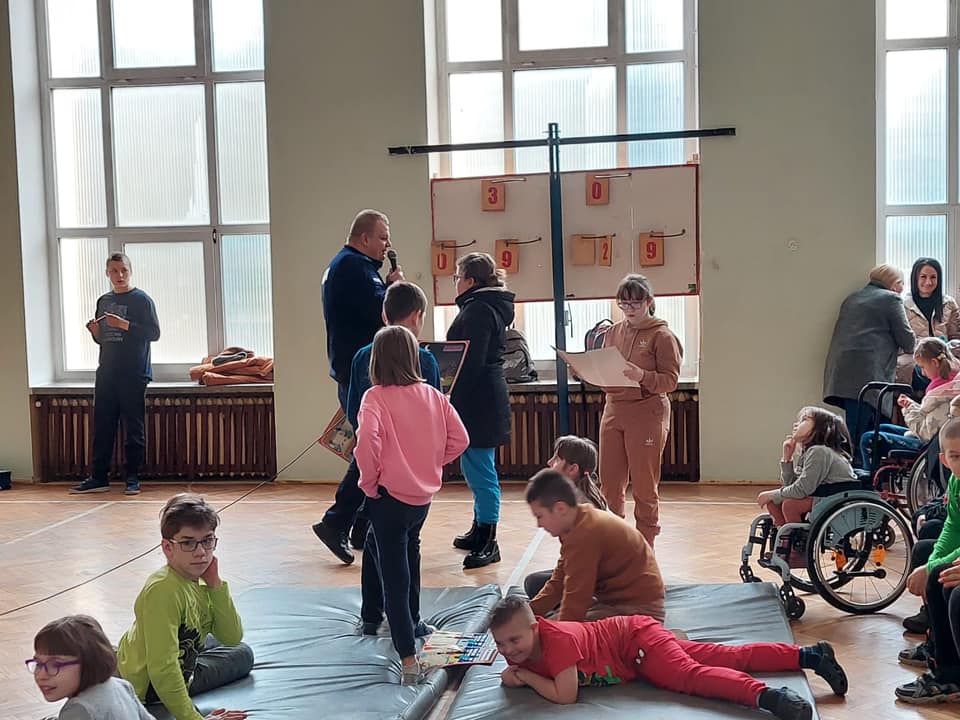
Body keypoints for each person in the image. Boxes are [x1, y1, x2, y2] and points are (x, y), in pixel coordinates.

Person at [489, 596, 847, 719]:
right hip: (636, 643)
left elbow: (565, 695)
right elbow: (509, 673)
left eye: (514, 641)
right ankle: (810, 655)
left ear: (535, 627)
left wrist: (528, 677)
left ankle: (768, 697)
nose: (508, 651)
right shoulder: (524, 647)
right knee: (725, 656)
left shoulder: (557, 641)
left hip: (636, 644)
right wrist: (517, 670)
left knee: (690, 676)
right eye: (501, 644)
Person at [354, 325, 469, 685]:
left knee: (396, 576)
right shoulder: (434, 395)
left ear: (376, 361)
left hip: (389, 497)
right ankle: (386, 618)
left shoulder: (375, 397)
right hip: (421, 499)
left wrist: (368, 482)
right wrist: (431, 463)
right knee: (396, 548)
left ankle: (407, 655)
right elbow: (460, 439)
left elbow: (365, 443)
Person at [313, 281, 441, 564]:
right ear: (417, 317)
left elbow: (353, 405)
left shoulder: (362, 356)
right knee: (396, 510)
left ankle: (351, 526)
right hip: (407, 452)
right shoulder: (424, 359)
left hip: (370, 435)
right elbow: (433, 407)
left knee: (367, 474)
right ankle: (341, 524)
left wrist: (364, 430)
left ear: (384, 315)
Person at [316, 210, 404, 559]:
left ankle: (361, 525)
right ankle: (336, 522)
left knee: (374, 448)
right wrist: (395, 289)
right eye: (382, 237)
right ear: (364, 238)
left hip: (353, 368)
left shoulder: (347, 265)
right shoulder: (355, 268)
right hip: (362, 371)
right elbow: (384, 315)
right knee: (372, 449)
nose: (387, 243)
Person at [118, 494, 253, 720]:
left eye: (207, 541)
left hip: (182, 655)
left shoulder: (196, 578)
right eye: (188, 543)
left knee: (241, 652)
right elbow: (162, 668)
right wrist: (194, 718)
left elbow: (232, 637)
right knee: (239, 655)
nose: (201, 552)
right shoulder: (163, 590)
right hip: (151, 687)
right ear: (167, 547)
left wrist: (215, 584)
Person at [598, 274, 682, 548]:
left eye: (634, 303)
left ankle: (645, 547)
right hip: (614, 409)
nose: (629, 309)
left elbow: (670, 381)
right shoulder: (613, 332)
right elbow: (607, 369)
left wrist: (642, 375)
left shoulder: (662, 336)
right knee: (610, 484)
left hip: (647, 411)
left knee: (645, 485)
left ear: (649, 302)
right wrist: (590, 371)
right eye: (623, 303)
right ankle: (613, 543)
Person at [447, 252, 515, 569]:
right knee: (474, 466)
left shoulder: (477, 310)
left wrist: (449, 393)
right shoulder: (483, 306)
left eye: (457, 277)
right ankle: (479, 528)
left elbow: (469, 362)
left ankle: (489, 539)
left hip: (479, 399)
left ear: (470, 281)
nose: (455, 283)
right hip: (481, 396)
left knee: (482, 471)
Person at [71, 253, 160, 495]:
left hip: (134, 373)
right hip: (107, 372)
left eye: (123, 270)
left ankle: (132, 478)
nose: (119, 275)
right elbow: (104, 340)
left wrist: (124, 324)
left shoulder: (142, 300)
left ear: (130, 271)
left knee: (133, 427)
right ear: (107, 273)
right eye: (114, 271)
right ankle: (99, 477)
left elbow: (154, 333)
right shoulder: (104, 300)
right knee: (103, 425)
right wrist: (95, 332)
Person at [525, 468, 665, 623]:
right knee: (542, 623)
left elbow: (577, 597)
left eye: (540, 516)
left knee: (548, 630)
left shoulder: (584, 533)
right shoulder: (577, 522)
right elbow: (559, 582)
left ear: (560, 509)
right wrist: (527, 614)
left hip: (638, 610)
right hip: (615, 602)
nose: (539, 524)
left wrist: (560, 631)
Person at [823, 264, 915, 466]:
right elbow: (908, 341)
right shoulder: (890, 299)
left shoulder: (852, 298)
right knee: (865, 433)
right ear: (894, 284)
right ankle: (861, 475)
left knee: (853, 429)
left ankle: (855, 471)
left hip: (842, 371)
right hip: (868, 372)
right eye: (901, 284)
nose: (902, 289)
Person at [897, 417, 960, 704]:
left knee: (946, 583)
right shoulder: (956, 481)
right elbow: (953, 528)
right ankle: (944, 666)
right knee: (933, 566)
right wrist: (932, 563)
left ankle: (950, 672)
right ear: (944, 460)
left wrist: (933, 568)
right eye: (956, 456)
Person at [523, 435, 607, 600]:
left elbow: (585, 563)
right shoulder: (585, 494)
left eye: (556, 459)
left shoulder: (577, 507)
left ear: (572, 469)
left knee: (533, 584)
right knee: (536, 582)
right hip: (591, 570)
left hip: (597, 578)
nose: (549, 462)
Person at [861, 338, 960, 472]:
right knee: (881, 427)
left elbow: (926, 433)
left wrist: (907, 409)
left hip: (929, 444)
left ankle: (870, 477)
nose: (923, 373)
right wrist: (911, 406)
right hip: (928, 435)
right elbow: (930, 417)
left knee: (869, 438)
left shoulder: (945, 395)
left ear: (935, 363)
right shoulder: (949, 387)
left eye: (923, 367)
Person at [28, 615, 155, 719]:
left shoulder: (79, 710)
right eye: (38, 664)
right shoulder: (121, 685)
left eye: (55, 665)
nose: (41, 675)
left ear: (88, 662)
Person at [757, 406, 856, 530]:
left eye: (804, 419)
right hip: (822, 496)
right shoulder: (810, 452)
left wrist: (772, 494)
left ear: (821, 428)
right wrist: (787, 458)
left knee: (790, 505)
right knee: (774, 502)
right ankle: (785, 537)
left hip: (835, 498)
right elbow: (791, 486)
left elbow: (801, 490)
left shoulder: (819, 451)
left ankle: (797, 539)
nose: (795, 424)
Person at [897, 258, 960, 388]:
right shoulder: (902, 305)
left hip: (944, 355)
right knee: (923, 372)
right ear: (915, 278)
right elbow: (901, 340)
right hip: (914, 358)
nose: (928, 282)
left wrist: (948, 350)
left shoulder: (949, 303)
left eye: (933, 277)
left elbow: (955, 336)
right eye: (923, 277)